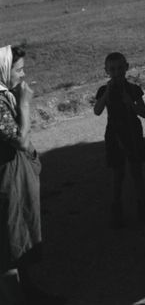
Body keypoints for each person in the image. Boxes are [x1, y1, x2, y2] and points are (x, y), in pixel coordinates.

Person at [0, 44, 65, 305]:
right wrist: (25, 104)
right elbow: (21, 141)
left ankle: (28, 291)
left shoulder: (5, 96)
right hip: (5, 180)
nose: (22, 75)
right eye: (18, 70)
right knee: (7, 245)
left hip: (14, 175)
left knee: (20, 235)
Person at [93, 52, 145, 228]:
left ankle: (143, 209)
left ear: (126, 67)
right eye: (112, 69)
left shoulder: (134, 89)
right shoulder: (104, 91)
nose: (117, 72)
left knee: (137, 172)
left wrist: (131, 103)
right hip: (114, 134)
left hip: (132, 132)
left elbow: (144, 113)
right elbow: (97, 111)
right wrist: (106, 94)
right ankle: (117, 212)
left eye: (120, 68)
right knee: (118, 173)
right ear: (106, 71)